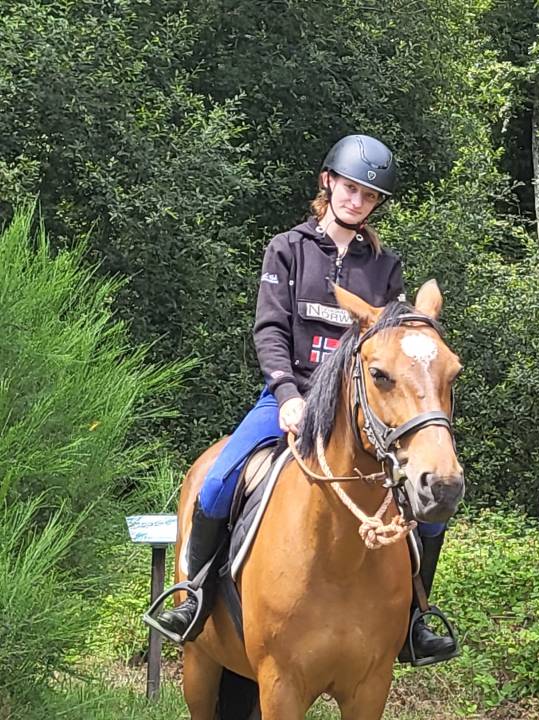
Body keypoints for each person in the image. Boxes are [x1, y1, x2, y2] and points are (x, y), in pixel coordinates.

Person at [146, 135, 457, 665]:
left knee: (430, 510)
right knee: (218, 481)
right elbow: (269, 330)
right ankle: (194, 596)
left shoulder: (385, 267)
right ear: (328, 182)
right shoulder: (287, 248)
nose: (357, 201)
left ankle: (415, 619)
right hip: (289, 396)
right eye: (351, 188)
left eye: (369, 196)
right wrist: (287, 394)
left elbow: (397, 345)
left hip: (359, 407)